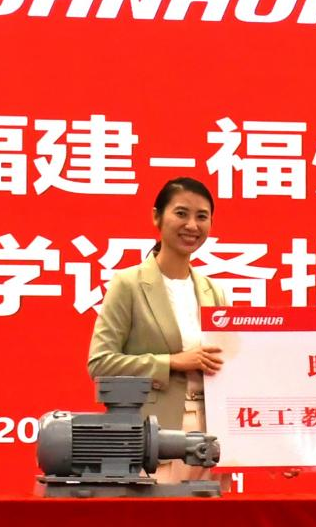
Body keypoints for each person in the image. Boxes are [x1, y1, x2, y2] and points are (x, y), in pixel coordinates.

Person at [87, 177, 227, 481]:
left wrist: (271, 445)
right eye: (181, 213)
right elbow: (100, 362)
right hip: (153, 437)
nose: (192, 225)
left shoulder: (213, 291)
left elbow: (232, 371)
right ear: (156, 217)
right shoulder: (128, 284)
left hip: (211, 439)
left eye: (202, 216)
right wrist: (171, 362)